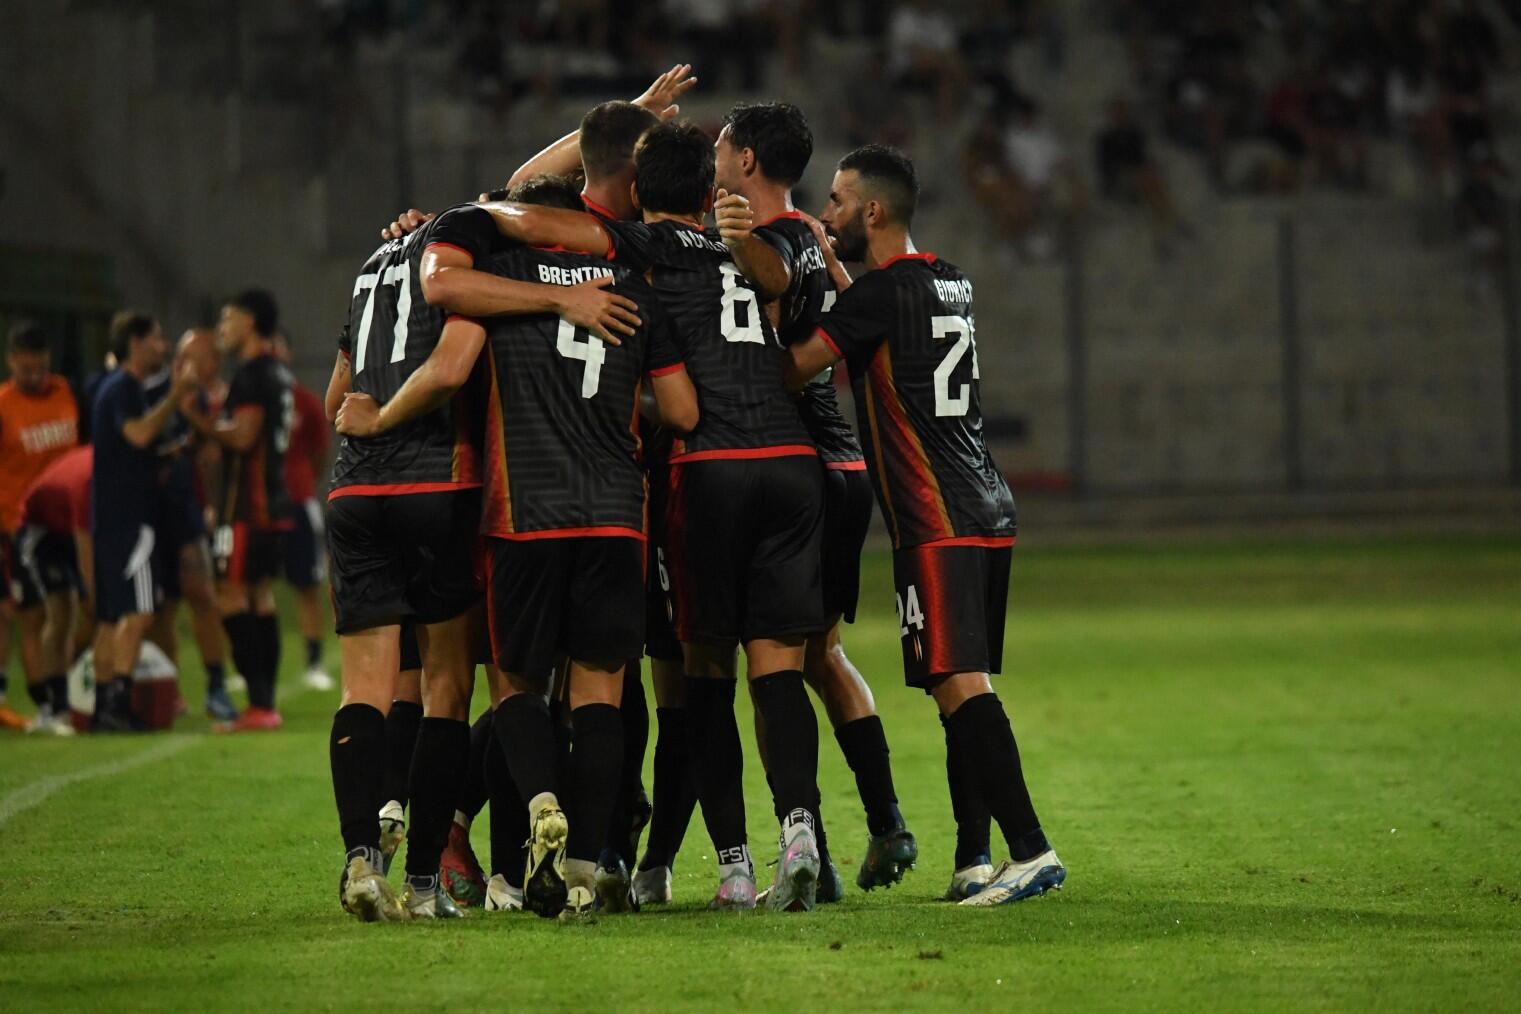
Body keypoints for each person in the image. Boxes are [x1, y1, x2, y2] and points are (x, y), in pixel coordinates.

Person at [481, 122, 830, 912]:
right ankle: (801, 830)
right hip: (791, 461)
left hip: (705, 471)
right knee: (778, 670)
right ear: (708, 193)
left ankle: (732, 866)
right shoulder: (745, 250)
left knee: (700, 676)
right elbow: (781, 287)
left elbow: (533, 211)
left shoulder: (639, 249)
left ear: (637, 193)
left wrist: (472, 217)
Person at [338, 172, 699, 923]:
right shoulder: (631, 288)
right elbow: (681, 409)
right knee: (596, 693)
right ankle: (576, 870)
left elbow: (410, 369)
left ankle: (490, 824)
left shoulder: (486, 279)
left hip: (512, 513)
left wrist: (373, 421)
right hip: (606, 514)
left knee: (500, 689)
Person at [784, 145, 1067, 906]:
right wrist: (837, 272)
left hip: (935, 514)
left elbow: (798, 365)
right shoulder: (949, 280)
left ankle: (1030, 850)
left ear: (872, 210)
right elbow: (882, 318)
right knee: (960, 684)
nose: (827, 213)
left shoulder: (878, 297)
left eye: (838, 201)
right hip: (987, 505)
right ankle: (972, 857)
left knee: (959, 686)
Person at [714, 101, 918, 901]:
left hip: (791, 463)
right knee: (819, 655)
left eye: (722, 146)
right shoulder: (814, 241)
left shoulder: (774, 241)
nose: (714, 158)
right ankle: (884, 820)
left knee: (768, 661)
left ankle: (810, 850)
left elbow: (769, 318)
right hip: (843, 464)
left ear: (747, 160)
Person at [183, 290, 294, 732]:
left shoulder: (251, 374)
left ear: (248, 321)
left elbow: (244, 437)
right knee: (259, 596)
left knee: (231, 596)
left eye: (227, 319)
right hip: (273, 500)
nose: (222, 329)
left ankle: (260, 704)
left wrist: (196, 419)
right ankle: (265, 702)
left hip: (248, 505)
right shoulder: (278, 371)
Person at [90, 312, 197, 733]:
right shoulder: (125, 386)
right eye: (156, 339)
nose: (163, 346)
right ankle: (118, 703)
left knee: (111, 618)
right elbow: (137, 434)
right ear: (135, 343)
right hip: (131, 519)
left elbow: (130, 449)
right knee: (139, 613)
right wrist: (175, 396)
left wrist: (170, 453)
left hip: (110, 517)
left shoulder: (111, 387)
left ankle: (102, 706)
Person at [144, 334, 237, 721]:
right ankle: (170, 691)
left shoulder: (197, 398)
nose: (190, 367)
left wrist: (211, 504)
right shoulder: (142, 391)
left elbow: (207, 454)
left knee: (201, 593)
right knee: (160, 606)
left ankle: (216, 686)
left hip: (184, 507)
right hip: (148, 510)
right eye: (185, 358)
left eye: (197, 359)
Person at [0, 321, 79, 731]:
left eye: (41, 367)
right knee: (32, 616)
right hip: (21, 527)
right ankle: (46, 703)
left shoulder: (65, 392)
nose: (35, 376)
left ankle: (63, 697)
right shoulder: (4, 406)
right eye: (27, 368)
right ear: (11, 361)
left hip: (68, 521)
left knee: (71, 609)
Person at [14, 444, 93, 734]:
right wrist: (92, 592)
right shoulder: (89, 478)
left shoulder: (100, 465)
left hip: (67, 528)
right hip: (42, 532)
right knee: (54, 615)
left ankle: (67, 696)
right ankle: (50, 705)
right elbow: (85, 541)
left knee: (72, 617)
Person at [273, 332, 334, 692]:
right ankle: (253, 666)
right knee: (248, 587)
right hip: (258, 505)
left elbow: (320, 452)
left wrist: (302, 481)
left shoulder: (305, 401)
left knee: (308, 585)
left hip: (296, 501)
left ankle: (314, 662)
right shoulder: (250, 398)